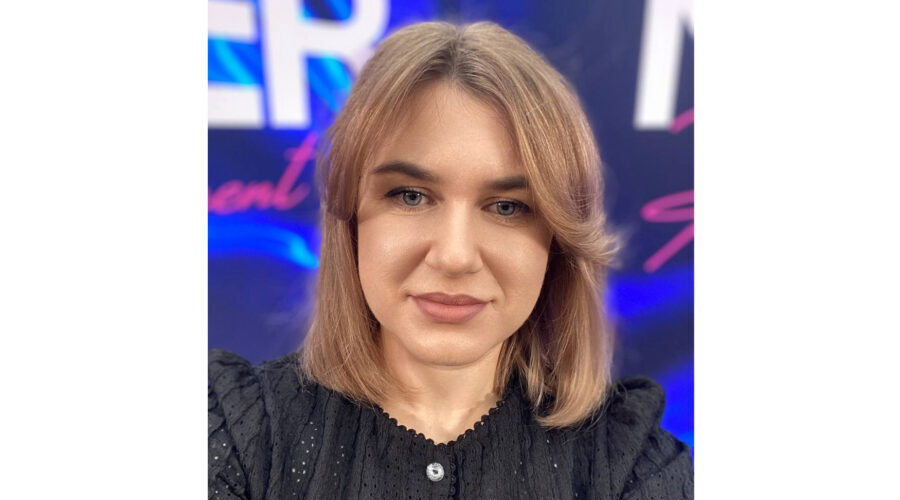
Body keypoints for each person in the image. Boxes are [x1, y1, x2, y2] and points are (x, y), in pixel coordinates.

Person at [208, 21, 693, 499]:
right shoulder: (239, 435)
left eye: (507, 207)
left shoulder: (631, 462)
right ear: (349, 218)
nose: (455, 256)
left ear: (557, 240)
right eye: (411, 196)